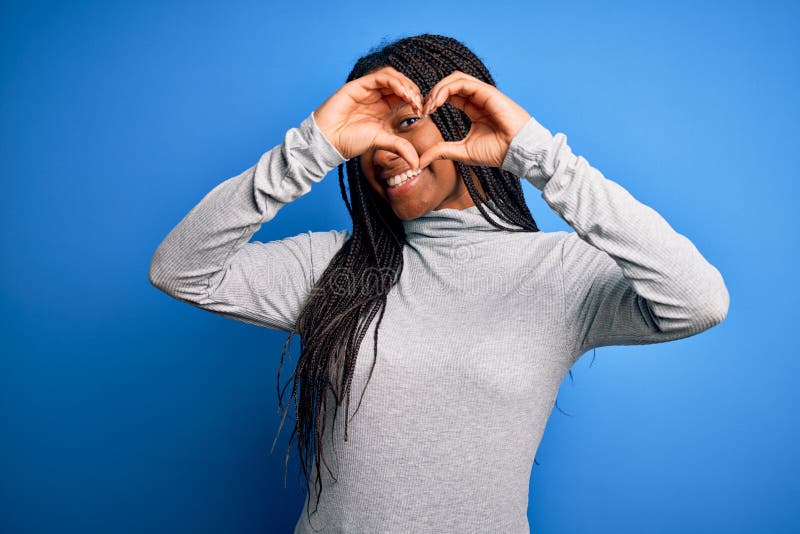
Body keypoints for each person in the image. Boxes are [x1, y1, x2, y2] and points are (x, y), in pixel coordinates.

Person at [149, 34, 729, 533]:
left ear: (463, 121)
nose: (384, 153)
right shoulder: (335, 268)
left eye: (405, 124)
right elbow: (179, 269)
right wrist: (311, 147)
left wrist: (539, 157)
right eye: (366, 139)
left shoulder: (559, 272)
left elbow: (697, 302)